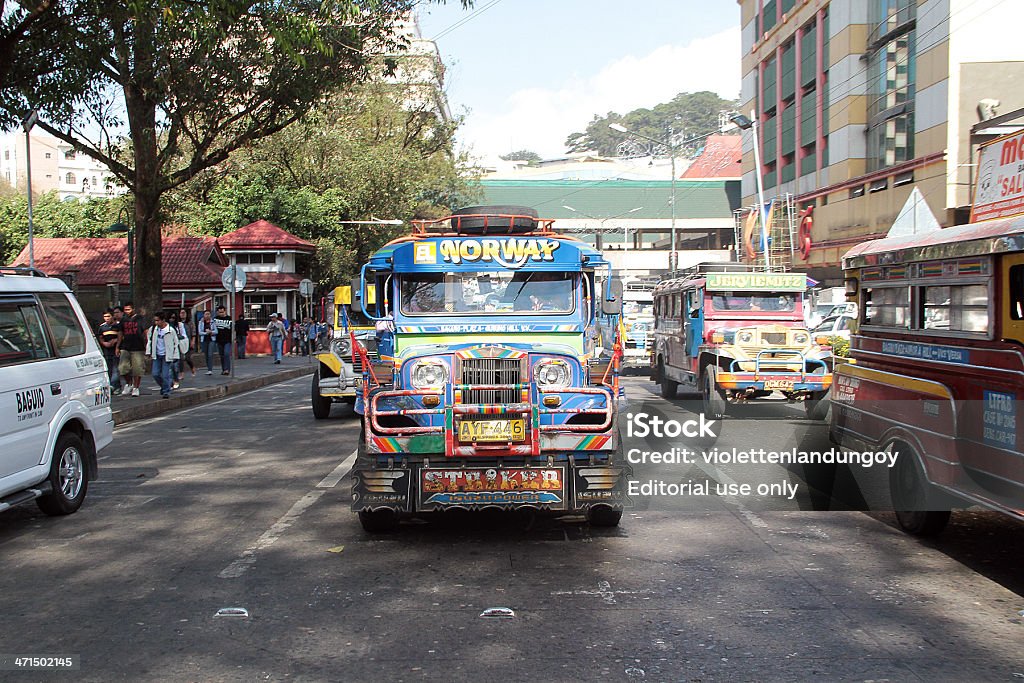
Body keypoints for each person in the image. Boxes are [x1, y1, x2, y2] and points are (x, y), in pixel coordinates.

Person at [145, 311, 180, 399]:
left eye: (158, 320)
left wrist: (175, 356)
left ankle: (166, 391)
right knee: (155, 374)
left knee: (165, 375)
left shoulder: (170, 330)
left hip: (166, 355)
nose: (156, 322)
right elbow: (149, 341)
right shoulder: (153, 329)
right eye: (155, 321)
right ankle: (165, 386)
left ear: (163, 320)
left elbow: (176, 343)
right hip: (157, 354)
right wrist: (149, 352)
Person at [116, 302, 147, 396]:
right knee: (123, 367)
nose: (127, 312)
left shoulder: (140, 319)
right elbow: (120, 333)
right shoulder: (123, 320)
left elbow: (145, 332)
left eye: (128, 309)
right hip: (125, 346)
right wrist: (118, 346)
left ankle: (136, 388)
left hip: (138, 346)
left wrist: (147, 345)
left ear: (133, 309)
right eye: (125, 310)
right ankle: (129, 383)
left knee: (137, 369)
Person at [97, 309, 120, 389]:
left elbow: (121, 336)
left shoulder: (118, 325)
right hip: (107, 350)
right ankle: (110, 385)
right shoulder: (102, 327)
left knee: (116, 369)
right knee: (108, 368)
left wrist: (115, 341)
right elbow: (100, 337)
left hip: (116, 350)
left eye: (108, 316)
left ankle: (116, 386)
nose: (106, 318)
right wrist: (104, 343)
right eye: (105, 316)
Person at [214, 305, 233, 375]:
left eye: (222, 312)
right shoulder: (215, 319)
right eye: (219, 312)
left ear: (225, 311)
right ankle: (223, 369)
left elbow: (233, 329)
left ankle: (227, 369)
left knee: (226, 353)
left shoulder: (229, 318)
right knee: (221, 355)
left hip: (227, 340)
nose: (221, 313)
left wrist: (233, 338)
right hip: (219, 340)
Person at [178, 308, 196, 377]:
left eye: (184, 313)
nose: (182, 314)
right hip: (180, 342)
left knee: (187, 358)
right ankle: (181, 373)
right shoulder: (178, 323)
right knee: (181, 358)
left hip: (188, 341)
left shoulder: (190, 322)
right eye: (181, 313)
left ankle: (192, 367)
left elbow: (193, 332)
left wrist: (193, 341)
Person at [198, 309, 216, 375]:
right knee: (206, 355)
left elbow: (216, 331)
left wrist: (211, 332)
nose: (207, 315)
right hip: (204, 340)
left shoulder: (213, 322)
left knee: (210, 354)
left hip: (211, 340)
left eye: (208, 314)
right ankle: (208, 368)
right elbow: (200, 332)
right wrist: (206, 333)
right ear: (204, 315)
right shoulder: (201, 322)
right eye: (206, 314)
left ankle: (210, 369)